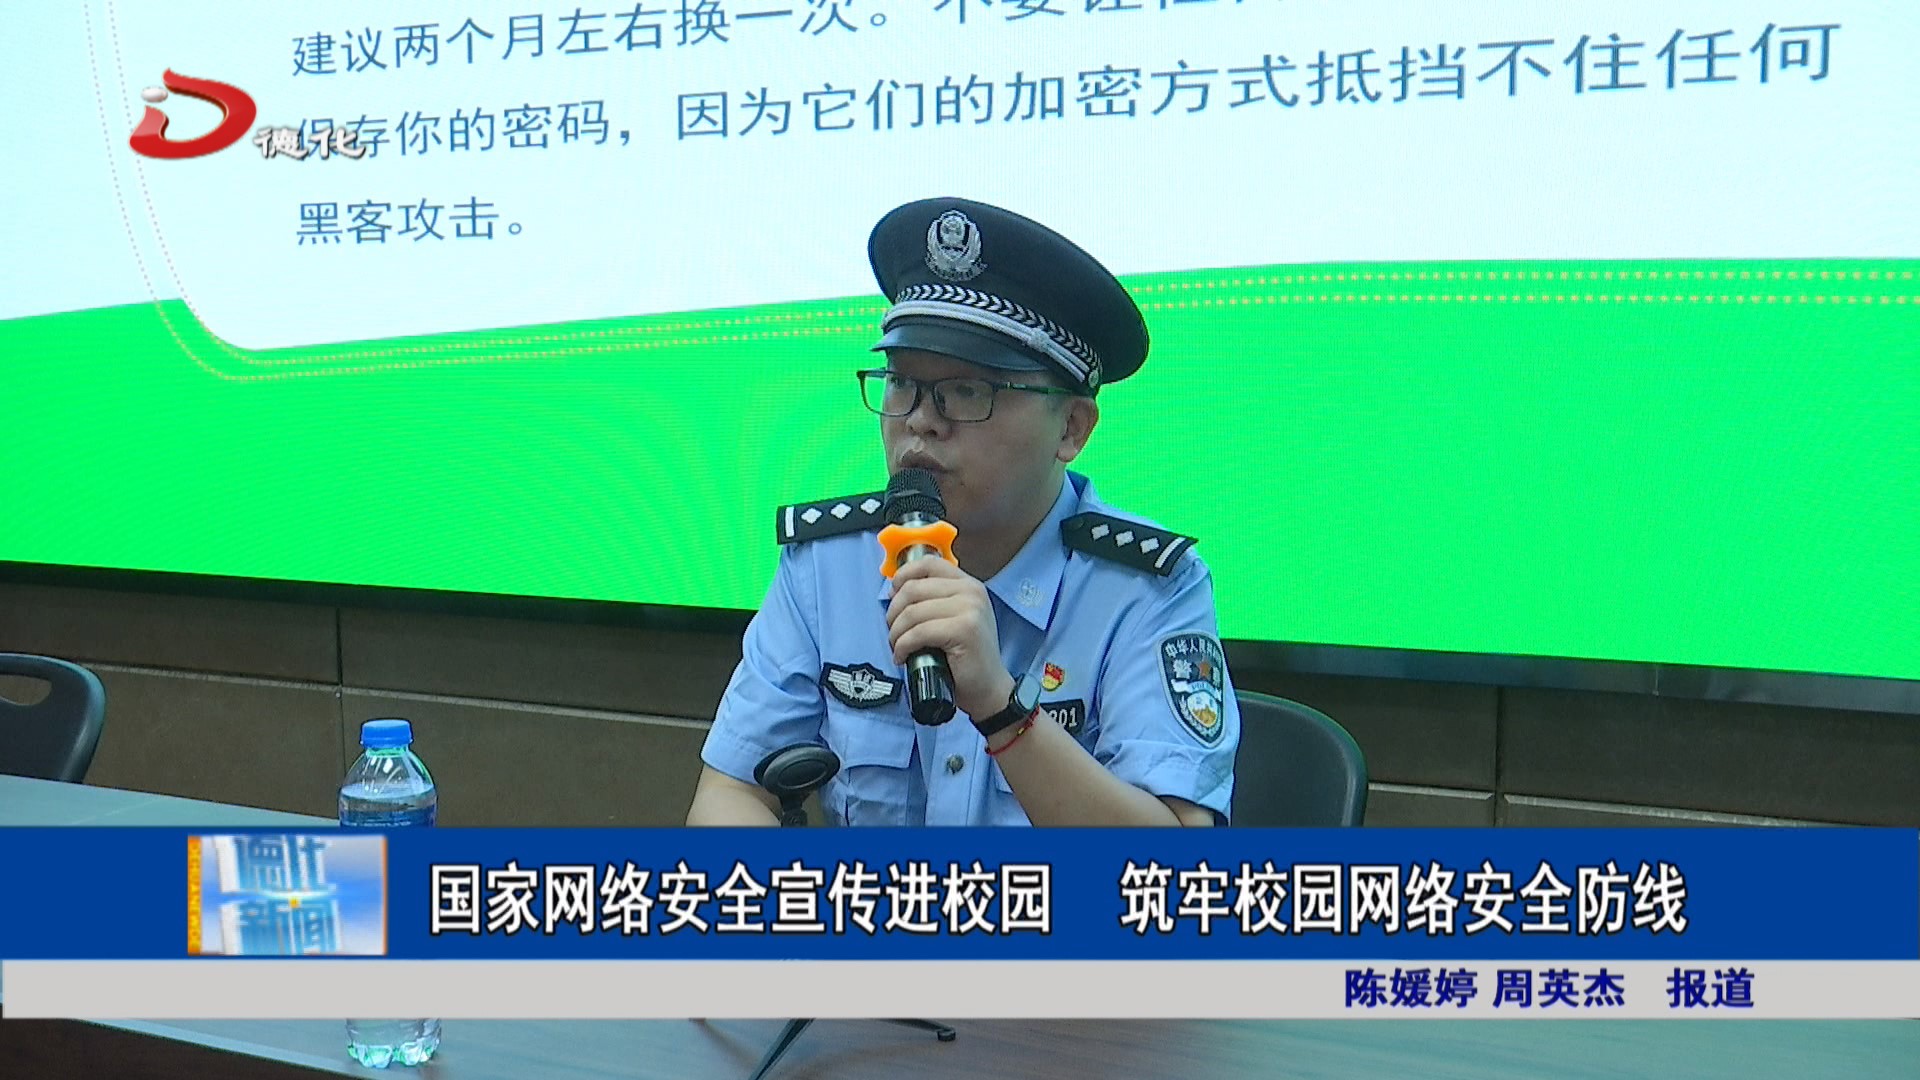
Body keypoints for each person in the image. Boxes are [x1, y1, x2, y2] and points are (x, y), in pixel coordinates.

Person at [686, 196, 1239, 827]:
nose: (920, 420)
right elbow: (731, 792)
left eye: (967, 391)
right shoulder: (828, 563)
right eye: (902, 383)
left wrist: (1001, 708)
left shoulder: (1147, 590)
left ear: (1072, 429)